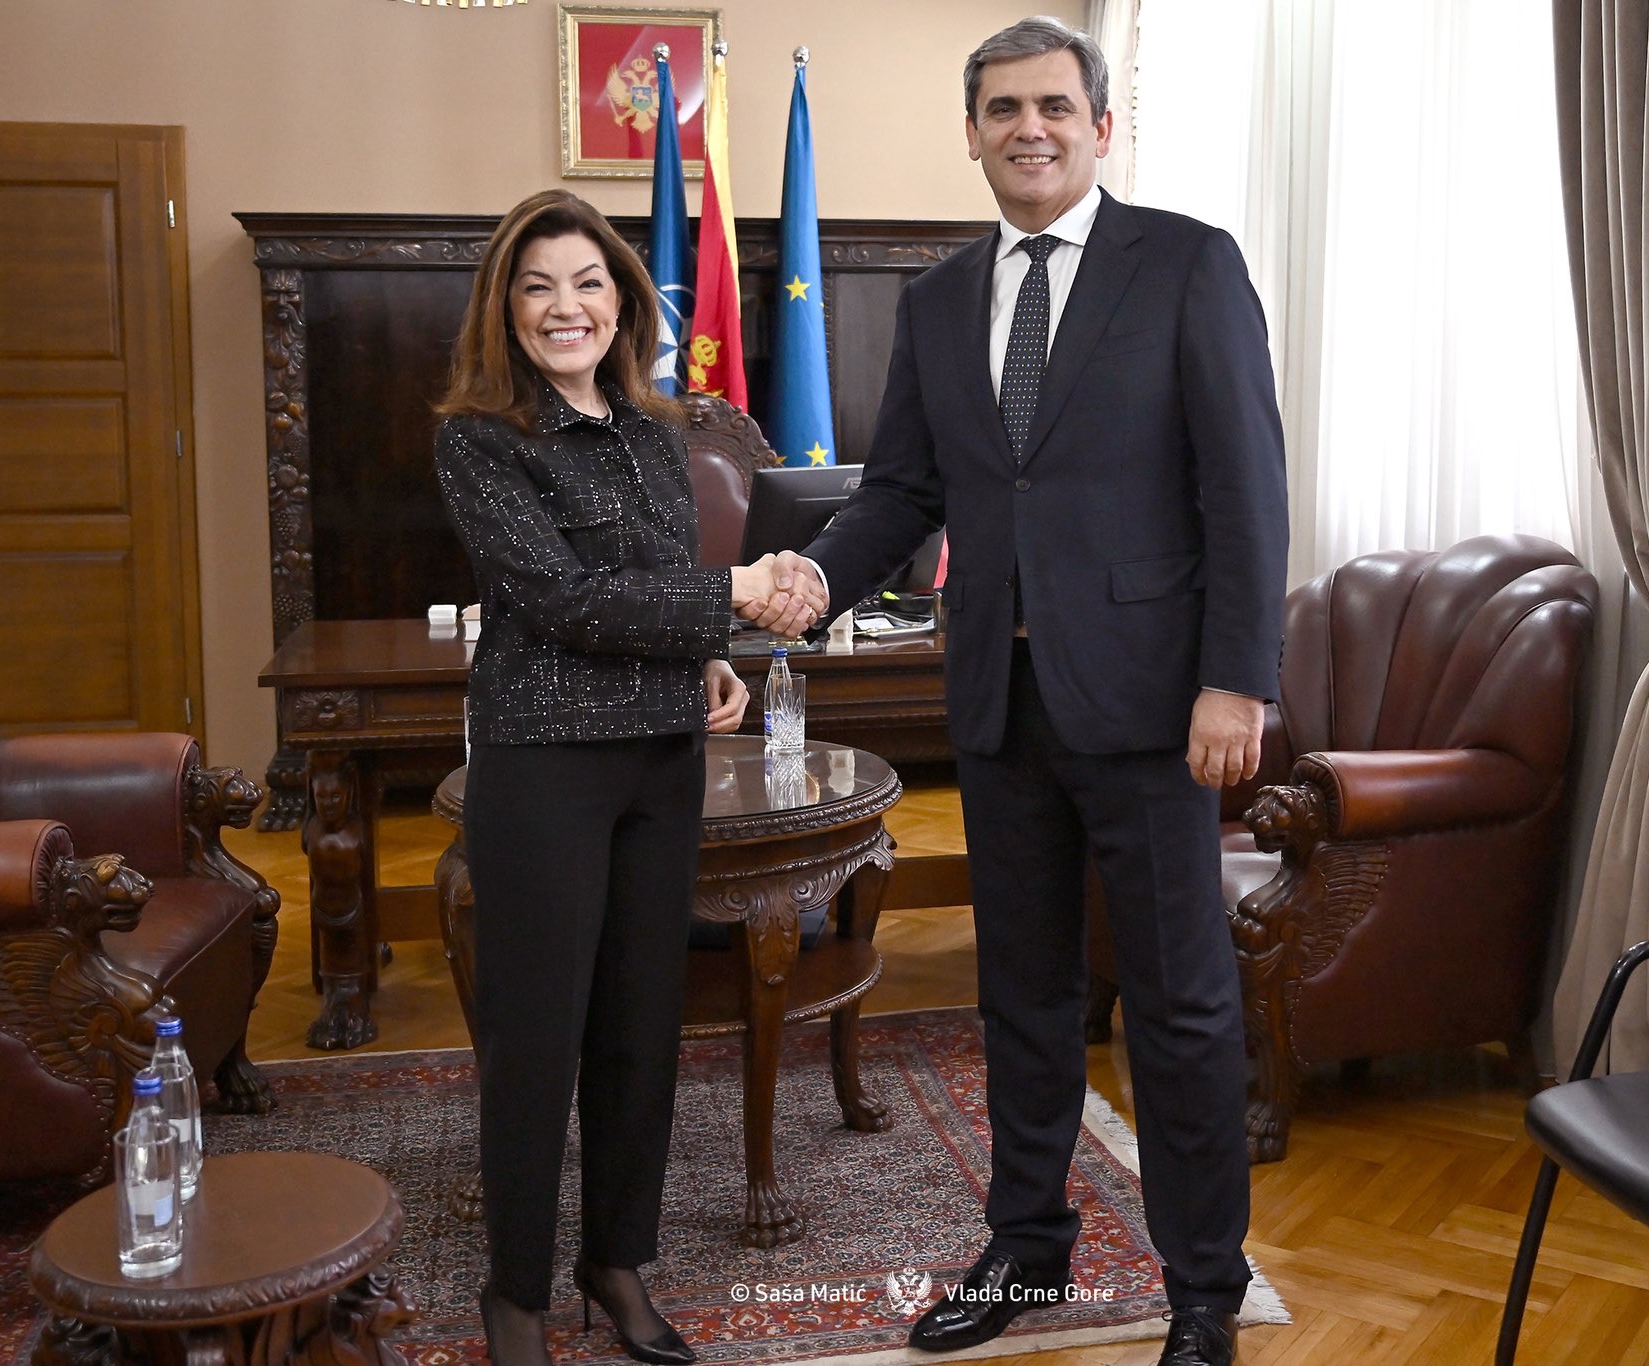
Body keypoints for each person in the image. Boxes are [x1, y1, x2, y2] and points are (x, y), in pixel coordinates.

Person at [747, 18, 1288, 1366]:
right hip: (998, 699)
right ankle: (1027, 1250)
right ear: (973, 133)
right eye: (1002, 109)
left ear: (1100, 127)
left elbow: (1245, 488)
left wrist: (1237, 680)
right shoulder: (938, 300)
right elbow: (901, 494)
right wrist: (813, 580)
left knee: (1179, 1003)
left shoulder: (1188, 264)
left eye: (1053, 105)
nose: (1027, 128)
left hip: (1157, 707)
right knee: (1024, 996)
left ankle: (1203, 1287)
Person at [434, 188, 790, 1366]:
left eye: (586, 282)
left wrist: (709, 658)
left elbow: (652, 578)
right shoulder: (479, 437)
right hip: (543, 766)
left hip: (660, 758)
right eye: (537, 286)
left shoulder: (653, 427)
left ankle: (615, 1262)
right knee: (537, 1038)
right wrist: (732, 596)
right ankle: (515, 1293)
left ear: (622, 302)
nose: (564, 306)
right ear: (504, 307)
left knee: (640, 1025)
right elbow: (563, 600)